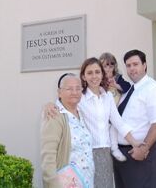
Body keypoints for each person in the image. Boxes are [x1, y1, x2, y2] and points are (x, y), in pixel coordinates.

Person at [44, 57, 140, 188]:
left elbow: (119, 123)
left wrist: (135, 143)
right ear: (83, 76)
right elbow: (63, 104)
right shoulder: (79, 97)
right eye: (89, 73)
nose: (94, 76)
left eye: (97, 72)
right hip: (84, 154)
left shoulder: (108, 97)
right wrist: (49, 105)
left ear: (102, 74)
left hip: (105, 153)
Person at [113, 49, 156, 188]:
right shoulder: (130, 91)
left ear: (144, 65)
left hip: (139, 153)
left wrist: (144, 149)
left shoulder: (153, 89)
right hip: (122, 154)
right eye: (128, 65)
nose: (131, 68)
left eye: (135, 64)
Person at [40, 73, 94, 188]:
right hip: (65, 184)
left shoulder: (82, 113)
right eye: (69, 89)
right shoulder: (54, 115)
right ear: (59, 92)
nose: (74, 92)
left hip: (87, 181)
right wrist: (52, 184)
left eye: (78, 88)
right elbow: (48, 157)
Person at [99, 52, 131, 161]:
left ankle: (114, 148)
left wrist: (116, 85)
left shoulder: (118, 78)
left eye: (110, 66)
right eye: (104, 66)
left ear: (114, 67)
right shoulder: (99, 80)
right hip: (103, 111)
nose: (107, 69)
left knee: (114, 127)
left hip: (115, 111)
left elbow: (128, 87)